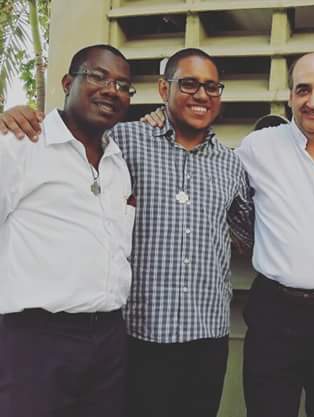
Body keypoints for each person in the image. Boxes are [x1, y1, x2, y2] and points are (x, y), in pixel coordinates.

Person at [0, 47, 253, 417]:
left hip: (204, 336)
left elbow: (247, 232)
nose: (201, 95)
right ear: (164, 89)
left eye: (211, 87)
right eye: (188, 84)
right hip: (137, 336)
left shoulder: (231, 164)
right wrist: (14, 115)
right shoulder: (125, 141)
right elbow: (73, 124)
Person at [0, 44, 135, 417]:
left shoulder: (117, 163)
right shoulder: (21, 144)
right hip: (36, 342)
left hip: (108, 339)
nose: (111, 90)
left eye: (123, 85)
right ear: (67, 82)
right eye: (98, 76)